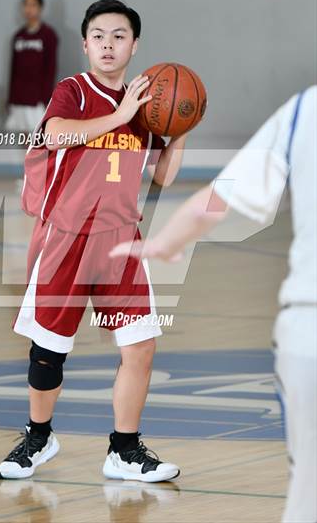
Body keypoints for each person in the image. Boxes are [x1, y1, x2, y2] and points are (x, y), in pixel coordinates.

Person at [0, 0, 191, 482]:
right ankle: (38, 438)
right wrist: (120, 114)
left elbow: (163, 177)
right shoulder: (73, 92)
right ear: (85, 44)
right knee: (48, 351)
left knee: (140, 345)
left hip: (121, 239)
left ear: (134, 45)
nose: (108, 44)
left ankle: (124, 450)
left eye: (119, 36)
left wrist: (182, 130)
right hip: (65, 239)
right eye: (99, 36)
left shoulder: (146, 106)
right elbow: (57, 135)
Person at [110, 86, 317, 522]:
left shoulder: (305, 109)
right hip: (306, 327)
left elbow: (221, 196)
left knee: (309, 492)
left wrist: (168, 240)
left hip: (307, 332)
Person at [5, 0, 58, 134]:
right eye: (26, 5)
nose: (29, 9)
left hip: (37, 99)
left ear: (40, 8)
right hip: (19, 97)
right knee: (23, 137)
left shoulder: (48, 35)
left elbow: (51, 68)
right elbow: (14, 69)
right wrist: (10, 98)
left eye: (33, 5)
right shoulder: (18, 36)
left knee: (38, 138)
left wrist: (47, 98)